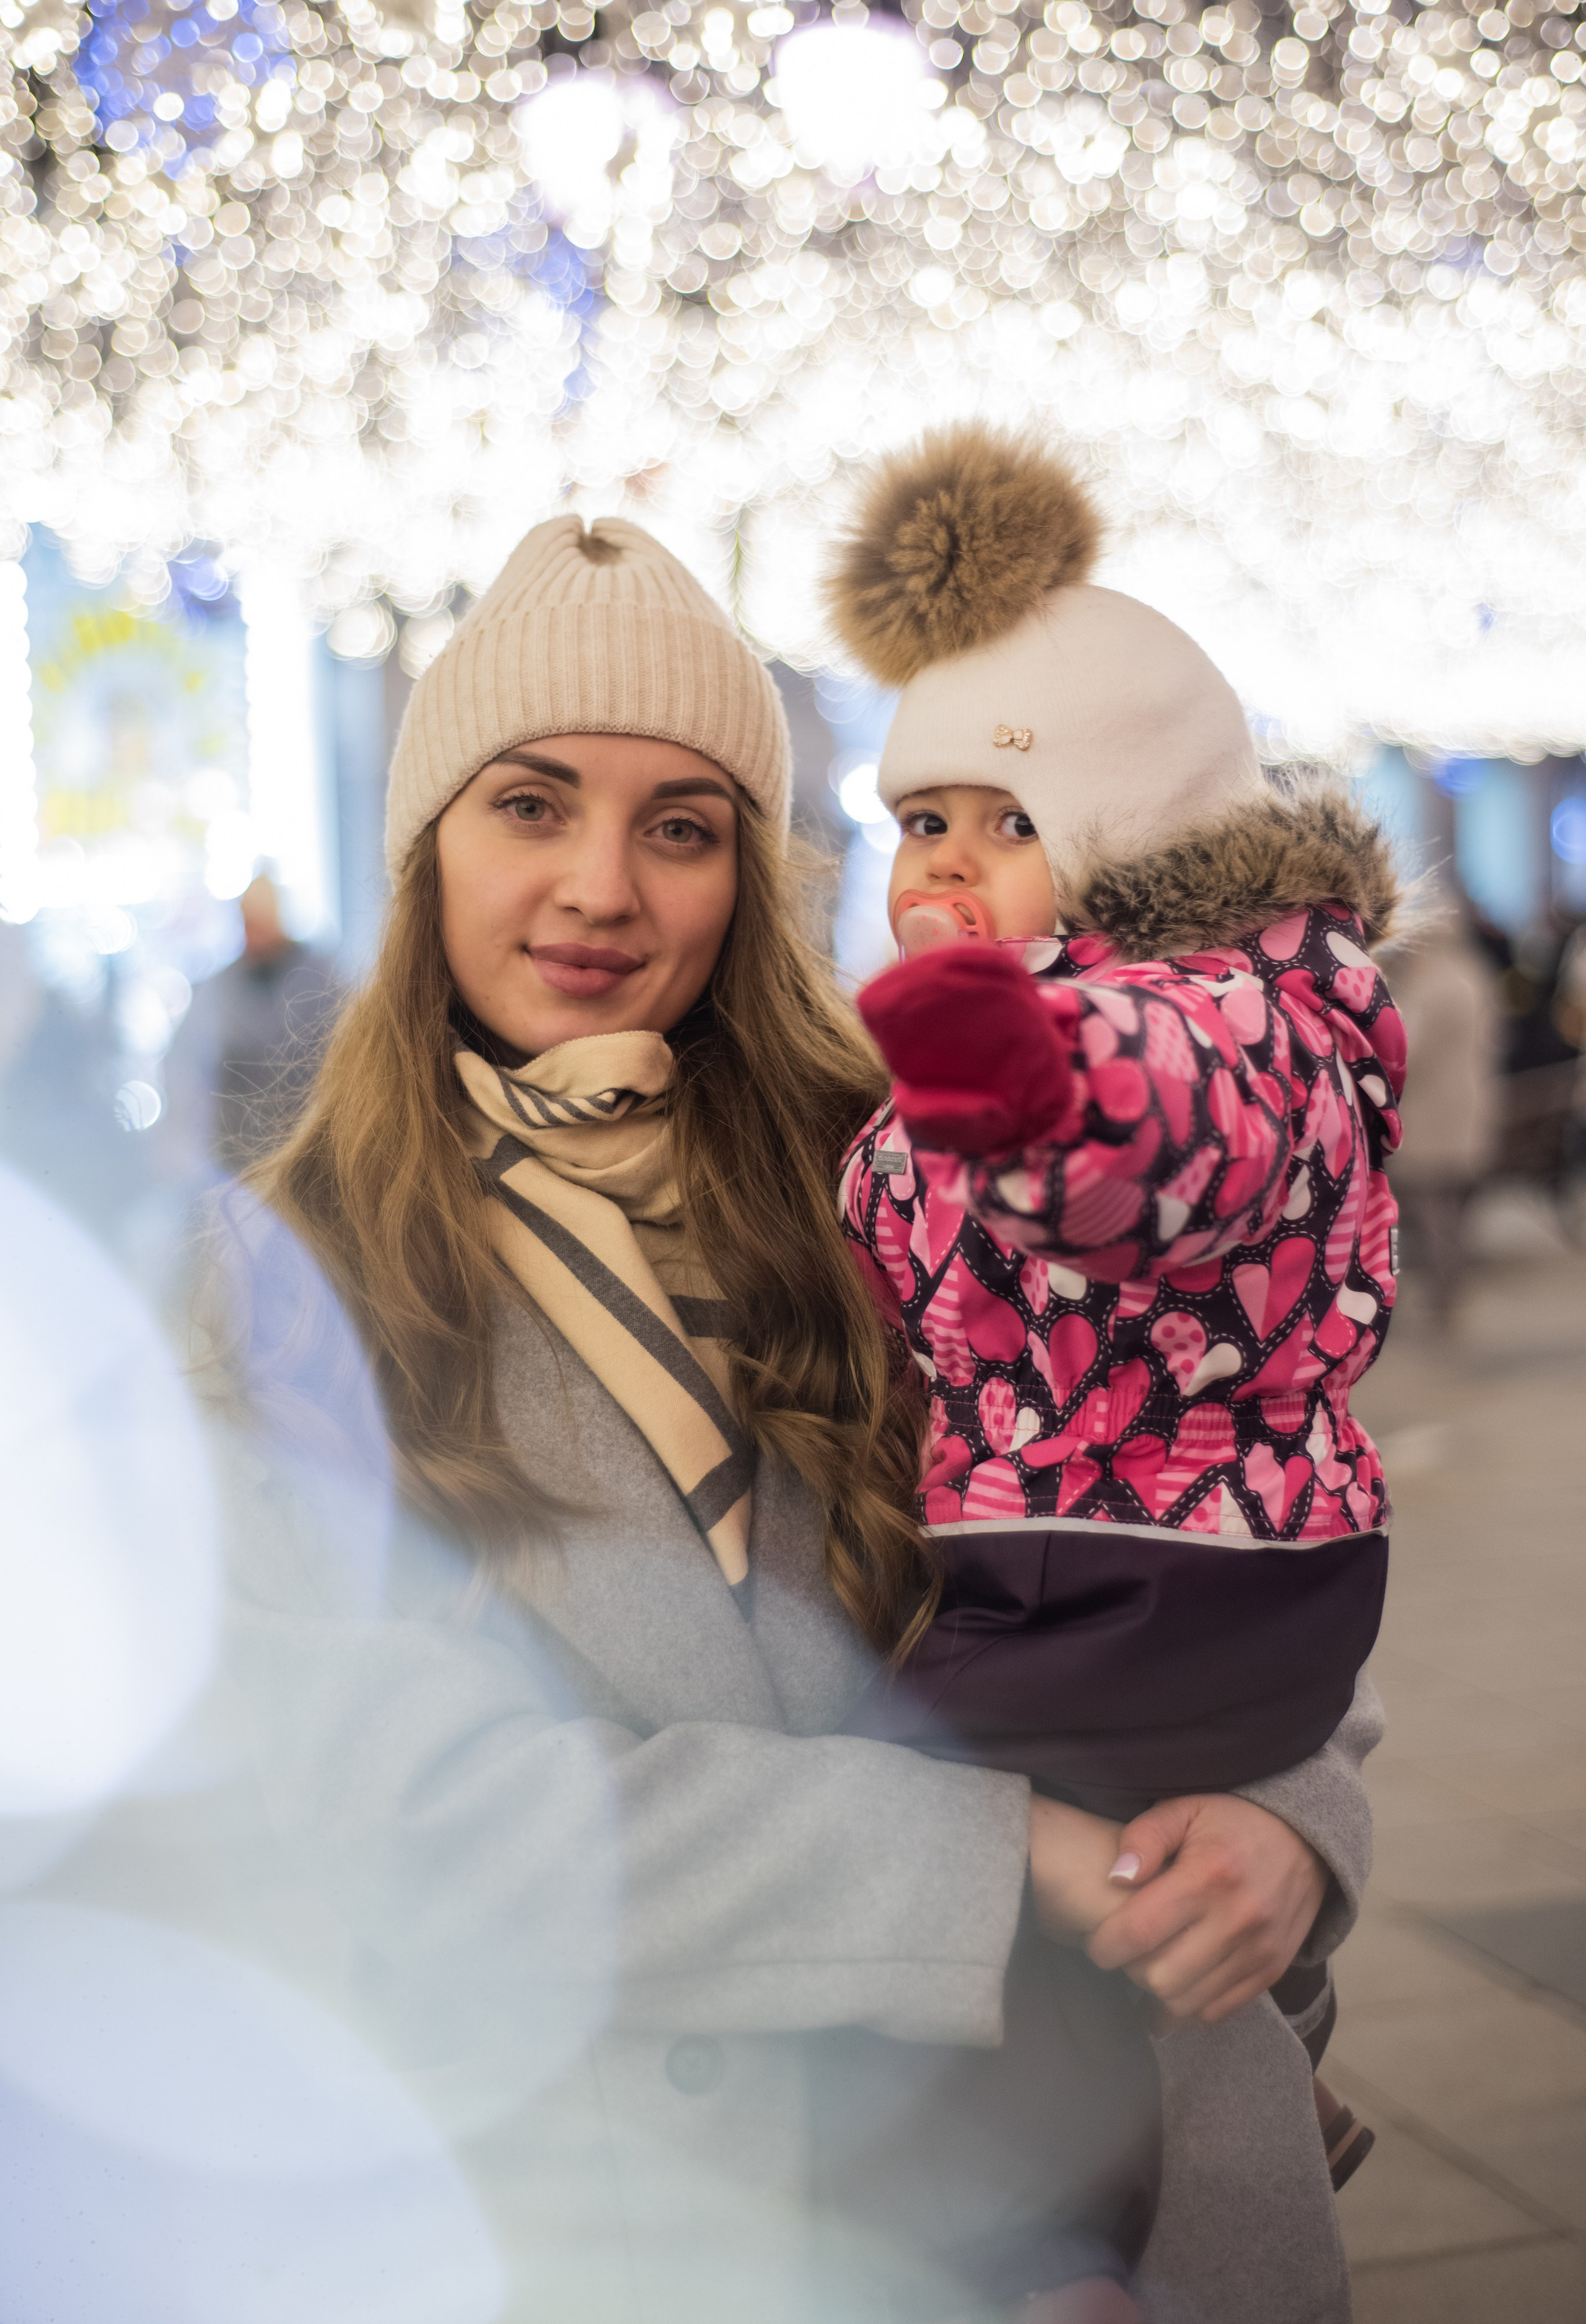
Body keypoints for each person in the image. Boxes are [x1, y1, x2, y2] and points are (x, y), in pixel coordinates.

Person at [213, 511, 1380, 2324]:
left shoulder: (932, 1153)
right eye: (531, 805)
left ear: (749, 871)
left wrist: (1291, 1831)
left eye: (680, 827)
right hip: (649, 2210)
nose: (603, 886)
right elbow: (401, 1815)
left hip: (1121, 2140)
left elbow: (1244, 1485)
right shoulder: (281, 1287)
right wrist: (992, 1866)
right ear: (422, 844)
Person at [828, 428, 1401, 2199]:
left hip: (1167, 1558)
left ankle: (1071, 2236)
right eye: (924, 819)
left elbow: (1161, 1136)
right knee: (1025, 1850)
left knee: (965, 1836)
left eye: (1012, 824)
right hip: (1082, 1538)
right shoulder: (942, 1056)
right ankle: (1272, 2061)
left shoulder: (1212, 1019)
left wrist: (1024, 1084)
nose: (948, 860)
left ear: (1135, 843)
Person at [164, 870, 341, 1176]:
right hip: (236, 1158)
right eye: (246, 924)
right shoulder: (219, 989)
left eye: (258, 924)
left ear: (278, 920)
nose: (251, 935)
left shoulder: (322, 983)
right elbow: (182, 1063)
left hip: (309, 1153)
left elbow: (348, 1060)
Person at [1387, 903, 1501, 1328]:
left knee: (1426, 1208)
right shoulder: (1473, 975)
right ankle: (1446, 1288)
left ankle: (1437, 1293)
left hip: (1430, 1111)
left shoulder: (1430, 984)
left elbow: (1407, 1052)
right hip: (1468, 1106)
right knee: (1449, 1208)